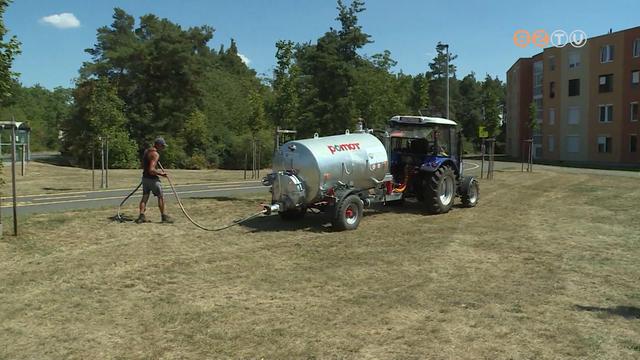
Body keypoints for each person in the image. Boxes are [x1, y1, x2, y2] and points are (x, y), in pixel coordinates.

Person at [135, 137, 174, 224]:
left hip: (145, 179)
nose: (163, 148)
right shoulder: (155, 154)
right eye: (163, 146)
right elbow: (151, 170)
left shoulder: (147, 151)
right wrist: (161, 174)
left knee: (145, 196)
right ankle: (164, 216)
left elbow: (145, 165)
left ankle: (141, 216)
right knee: (160, 196)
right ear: (158, 145)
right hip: (153, 180)